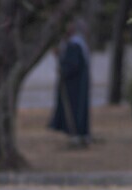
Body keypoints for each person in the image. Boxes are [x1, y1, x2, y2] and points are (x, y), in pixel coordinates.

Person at [49, 18, 91, 148]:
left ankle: (77, 135)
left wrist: (62, 66)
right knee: (78, 109)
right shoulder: (79, 44)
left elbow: (72, 65)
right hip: (78, 85)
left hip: (74, 86)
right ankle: (80, 134)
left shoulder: (75, 45)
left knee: (74, 110)